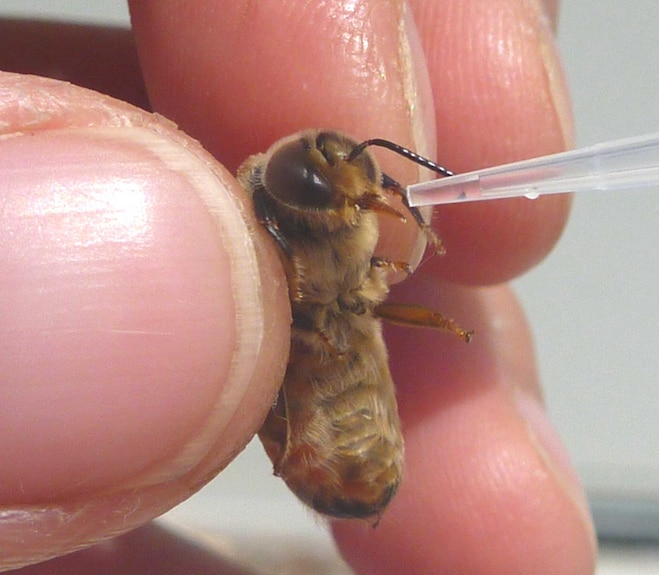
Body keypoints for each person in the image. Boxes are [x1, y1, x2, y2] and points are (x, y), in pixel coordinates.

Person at [0, 1, 596, 573]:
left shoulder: (348, 246)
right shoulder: (266, 226)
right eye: (332, 187)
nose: (357, 199)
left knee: (360, 307)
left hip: (357, 431)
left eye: (362, 185)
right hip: (315, 439)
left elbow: (365, 274)